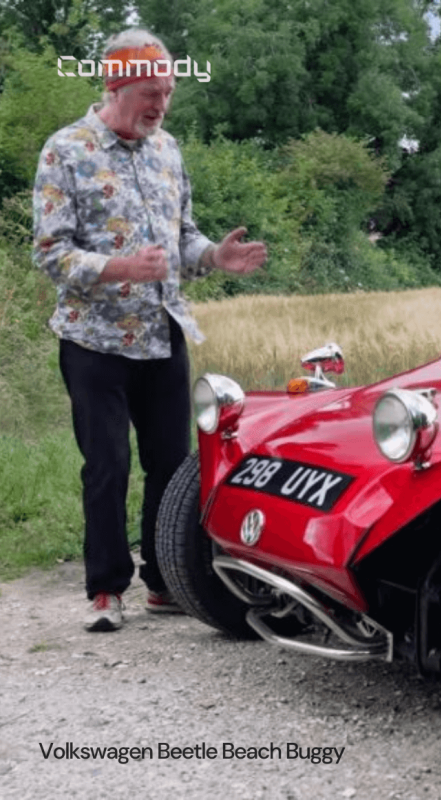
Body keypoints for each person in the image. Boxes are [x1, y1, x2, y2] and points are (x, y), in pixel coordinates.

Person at [31, 29, 267, 632]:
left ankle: (165, 582)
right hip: (94, 339)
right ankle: (106, 591)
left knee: (172, 463)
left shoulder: (168, 150)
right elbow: (51, 253)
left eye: (167, 92)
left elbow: (183, 236)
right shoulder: (66, 150)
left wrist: (215, 256)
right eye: (149, 93)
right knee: (107, 465)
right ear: (115, 88)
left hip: (163, 333)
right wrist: (120, 268)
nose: (160, 104)